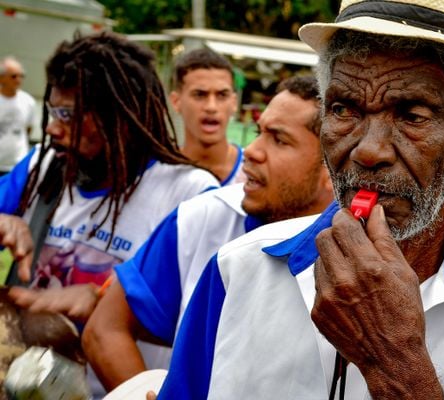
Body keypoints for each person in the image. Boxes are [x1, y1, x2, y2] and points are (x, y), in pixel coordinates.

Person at [157, 1, 444, 399]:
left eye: (412, 115)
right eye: (344, 109)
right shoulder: (238, 272)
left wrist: (399, 368)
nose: (369, 151)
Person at [0, 31, 219, 396]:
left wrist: (101, 299)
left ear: (118, 117)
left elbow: (203, 320)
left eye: (69, 114)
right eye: (52, 111)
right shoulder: (44, 167)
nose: (53, 128)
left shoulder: (188, 193)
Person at [83, 76, 334, 391]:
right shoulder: (202, 217)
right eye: (259, 133)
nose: (252, 151)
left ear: (332, 166)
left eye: (279, 140)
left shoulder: (360, 263)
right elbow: (105, 330)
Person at [169, 48, 245, 185]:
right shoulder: (159, 174)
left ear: (234, 102)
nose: (211, 107)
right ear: (176, 102)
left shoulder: (256, 172)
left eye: (222, 95)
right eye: (199, 95)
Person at [0, 56, 36, 174]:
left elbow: (28, 129)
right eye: (13, 76)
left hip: (17, 163)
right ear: (2, 78)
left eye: (21, 76)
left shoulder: (28, 101)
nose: (18, 80)